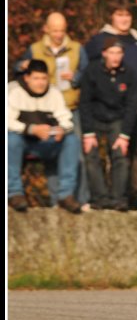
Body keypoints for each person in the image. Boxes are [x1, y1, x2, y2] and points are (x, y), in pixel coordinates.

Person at [17, 12, 89, 209]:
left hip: (70, 108)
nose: (59, 34)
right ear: (46, 29)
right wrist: (22, 66)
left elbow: (89, 75)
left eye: (62, 30)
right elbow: (18, 70)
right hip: (43, 111)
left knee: (76, 154)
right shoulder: (35, 49)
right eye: (55, 30)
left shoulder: (77, 49)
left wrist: (75, 77)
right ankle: (57, 201)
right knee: (50, 157)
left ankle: (81, 200)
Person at [86, 2, 137, 210]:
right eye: (119, 14)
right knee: (99, 154)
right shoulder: (97, 41)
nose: (124, 19)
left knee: (136, 153)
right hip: (102, 110)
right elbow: (87, 76)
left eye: (127, 15)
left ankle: (133, 196)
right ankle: (100, 197)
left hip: (134, 106)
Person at [7, 60, 81, 214]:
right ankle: (14, 193)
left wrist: (61, 129)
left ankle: (66, 195)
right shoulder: (13, 91)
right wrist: (32, 129)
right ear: (27, 78)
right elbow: (8, 121)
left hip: (48, 142)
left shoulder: (54, 93)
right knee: (11, 140)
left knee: (71, 141)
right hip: (24, 142)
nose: (40, 83)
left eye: (44, 78)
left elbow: (66, 119)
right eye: (36, 78)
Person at [79, 37, 137, 211]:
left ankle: (119, 198)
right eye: (112, 52)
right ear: (104, 53)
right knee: (91, 156)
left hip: (117, 119)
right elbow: (85, 102)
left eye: (119, 53)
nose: (115, 57)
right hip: (95, 118)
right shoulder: (92, 71)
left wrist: (125, 135)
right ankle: (100, 198)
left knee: (120, 156)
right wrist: (88, 133)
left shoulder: (129, 73)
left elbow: (131, 105)